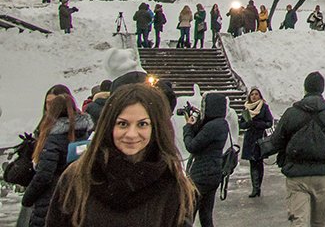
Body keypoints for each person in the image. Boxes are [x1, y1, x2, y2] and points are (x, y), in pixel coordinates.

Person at [45, 82, 197, 227]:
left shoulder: (172, 185)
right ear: (109, 126)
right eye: (123, 124)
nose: (131, 134)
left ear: (155, 128)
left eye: (142, 124)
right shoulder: (77, 178)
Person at [260, 72, 325, 227]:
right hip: (323, 175)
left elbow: (275, 141)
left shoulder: (291, 114)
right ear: (322, 89)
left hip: (297, 174)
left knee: (299, 220)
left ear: (305, 89)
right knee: (320, 221)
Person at [23, 93, 93, 227]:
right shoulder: (86, 134)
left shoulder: (53, 139)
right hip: (79, 197)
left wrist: (28, 198)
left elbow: (44, 174)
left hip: (52, 199)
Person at [182, 93, 229, 227]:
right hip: (213, 173)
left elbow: (192, 146)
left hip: (201, 175)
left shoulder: (211, 127)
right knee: (206, 214)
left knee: (188, 214)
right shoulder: (221, 123)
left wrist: (187, 128)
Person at [240, 88, 273, 198]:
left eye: (256, 94)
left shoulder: (264, 107)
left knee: (259, 162)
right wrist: (248, 124)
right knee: (252, 163)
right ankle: (255, 187)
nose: (254, 96)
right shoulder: (246, 108)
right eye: (252, 94)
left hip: (259, 138)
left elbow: (269, 122)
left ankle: (258, 187)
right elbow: (241, 124)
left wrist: (257, 124)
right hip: (250, 138)